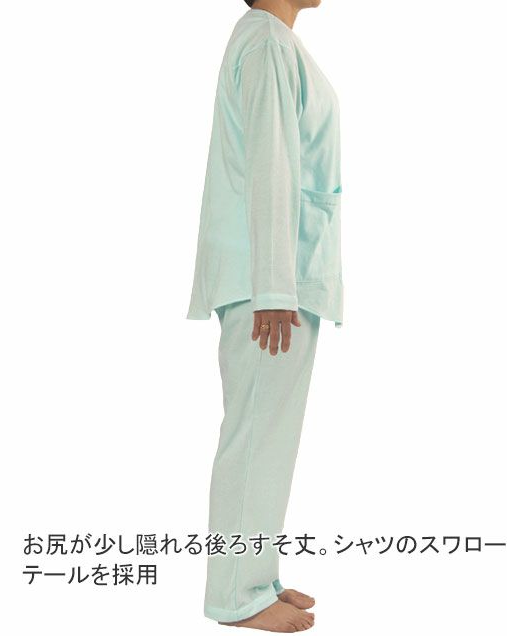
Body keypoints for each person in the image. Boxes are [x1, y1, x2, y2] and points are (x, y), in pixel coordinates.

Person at [186, 0, 343, 631]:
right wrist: (275, 288)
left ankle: (255, 575)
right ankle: (236, 595)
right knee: (255, 437)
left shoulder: (274, 42)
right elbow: (270, 164)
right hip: (271, 287)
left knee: (268, 440)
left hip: (282, 279)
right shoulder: (268, 43)